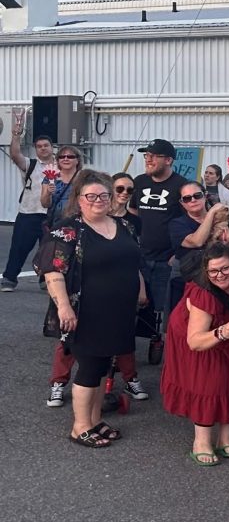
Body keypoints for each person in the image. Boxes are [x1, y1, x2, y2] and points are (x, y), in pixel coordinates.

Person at [36, 170, 147, 448]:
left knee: (102, 366)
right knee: (88, 367)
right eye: (91, 196)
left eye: (104, 195)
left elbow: (133, 263)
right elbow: (53, 273)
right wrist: (64, 308)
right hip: (85, 311)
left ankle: (95, 420)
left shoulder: (125, 227)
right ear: (79, 199)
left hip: (119, 312)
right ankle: (80, 427)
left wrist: (141, 290)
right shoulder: (68, 229)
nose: (98, 200)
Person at [161, 243, 229, 466]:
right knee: (209, 384)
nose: (220, 275)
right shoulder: (204, 294)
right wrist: (220, 333)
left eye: (225, 269)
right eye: (213, 271)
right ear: (205, 271)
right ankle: (201, 442)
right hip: (203, 338)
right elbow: (195, 341)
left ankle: (225, 439)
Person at [131, 139, 188, 348]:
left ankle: (163, 342)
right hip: (141, 256)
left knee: (166, 306)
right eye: (146, 155)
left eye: (153, 156)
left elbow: (190, 220)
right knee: (138, 303)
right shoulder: (139, 182)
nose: (148, 159)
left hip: (169, 258)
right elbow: (133, 210)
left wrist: (178, 252)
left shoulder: (181, 186)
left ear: (168, 160)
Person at [3, 116, 55, 292]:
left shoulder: (61, 165)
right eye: (39, 147)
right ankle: (9, 279)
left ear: (52, 147)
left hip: (52, 214)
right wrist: (16, 135)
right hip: (29, 213)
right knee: (19, 247)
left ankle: (45, 280)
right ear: (36, 149)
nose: (43, 149)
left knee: (49, 250)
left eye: (46, 145)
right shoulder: (30, 164)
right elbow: (15, 154)